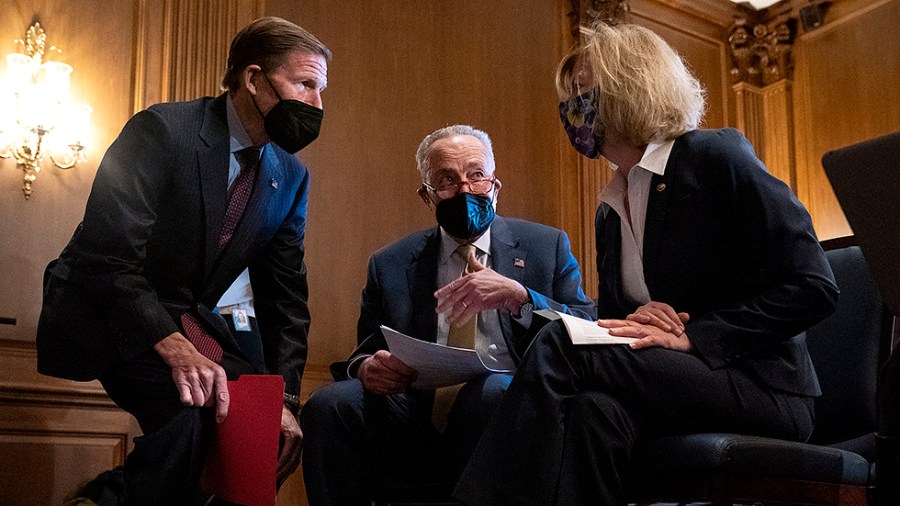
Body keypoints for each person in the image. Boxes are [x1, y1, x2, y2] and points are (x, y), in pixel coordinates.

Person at [453, 22, 839, 505]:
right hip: (676, 382)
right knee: (595, 413)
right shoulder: (610, 208)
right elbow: (613, 326)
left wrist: (694, 334)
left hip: (762, 386)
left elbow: (813, 285)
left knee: (560, 346)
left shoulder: (715, 156)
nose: (573, 106)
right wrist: (623, 318)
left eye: (583, 89)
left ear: (631, 83)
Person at [35, 16, 329, 504]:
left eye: (322, 90)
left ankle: (111, 496)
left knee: (251, 422)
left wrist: (285, 400)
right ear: (254, 79)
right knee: (189, 408)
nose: (317, 104)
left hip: (192, 321)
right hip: (108, 309)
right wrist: (173, 347)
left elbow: (285, 300)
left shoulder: (290, 176)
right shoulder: (161, 131)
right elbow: (107, 260)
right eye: (305, 84)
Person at [300, 124, 595, 506]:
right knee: (329, 406)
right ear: (427, 196)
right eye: (447, 180)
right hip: (416, 409)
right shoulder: (390, 263)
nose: (465, 189)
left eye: (476, 176)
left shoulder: (546, 246)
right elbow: (368, 347)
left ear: (495, 187)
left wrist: (521, 298)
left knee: (489, 394)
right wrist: (367, 366)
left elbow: (586, 326)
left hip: (508, 408)